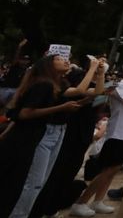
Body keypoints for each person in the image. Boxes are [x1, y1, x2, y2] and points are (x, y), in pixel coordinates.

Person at [1, 53, 101, 218]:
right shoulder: (43, 84)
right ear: (48, 65)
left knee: (38, 182)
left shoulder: (57, 83)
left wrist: (100, 75)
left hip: (43, 134)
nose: (66, 60)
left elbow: (88, 92)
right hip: (35, 135)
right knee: (31, 182)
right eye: (60, 59)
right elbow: (25, 113)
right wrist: (61, 108)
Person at [71, 61, 123, 217]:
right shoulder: (119, 85)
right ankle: (81, 202)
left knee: (114, 170)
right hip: (118, 133)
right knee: (107, 170)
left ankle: (98, 201)